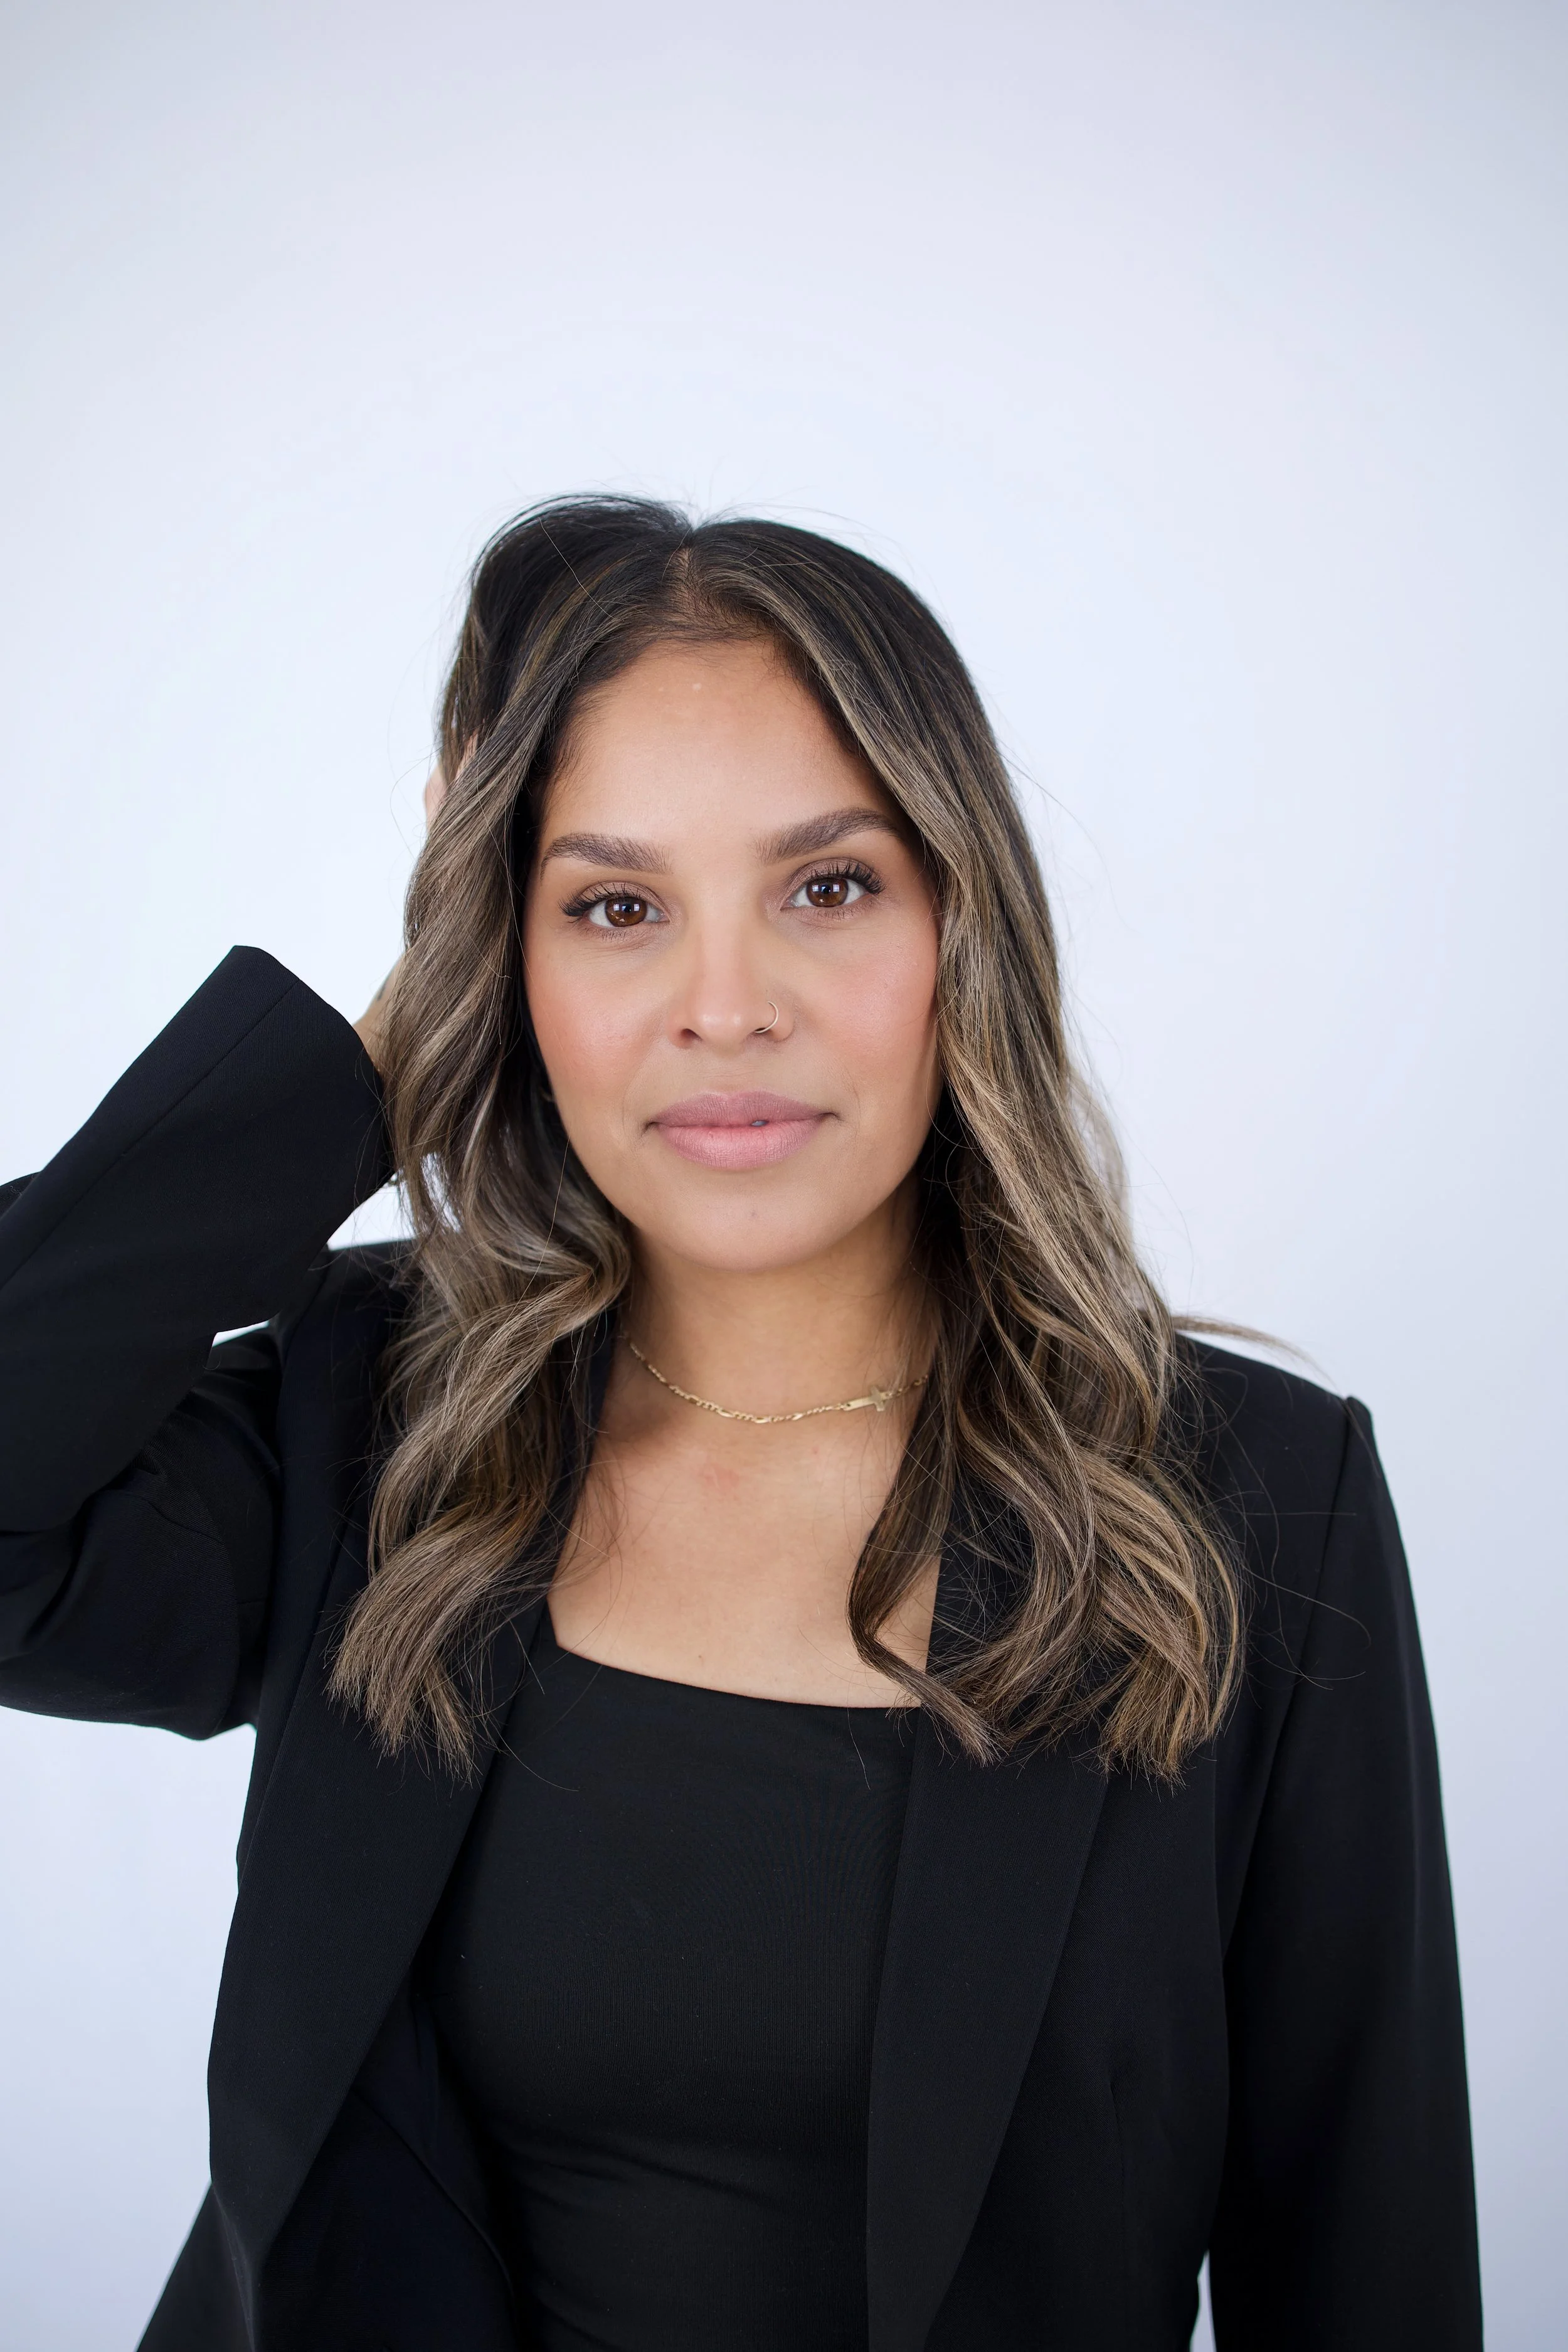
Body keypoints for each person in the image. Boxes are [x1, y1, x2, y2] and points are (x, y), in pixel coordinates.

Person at [0, 498, 1480, 2351]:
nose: (722, 1007)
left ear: (964, 921)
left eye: (827, 885)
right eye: (614, 907)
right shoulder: (368, 1413)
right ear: (504, 961)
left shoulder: (1261, 1498)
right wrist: (374, 1058)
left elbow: (1364, 2261)